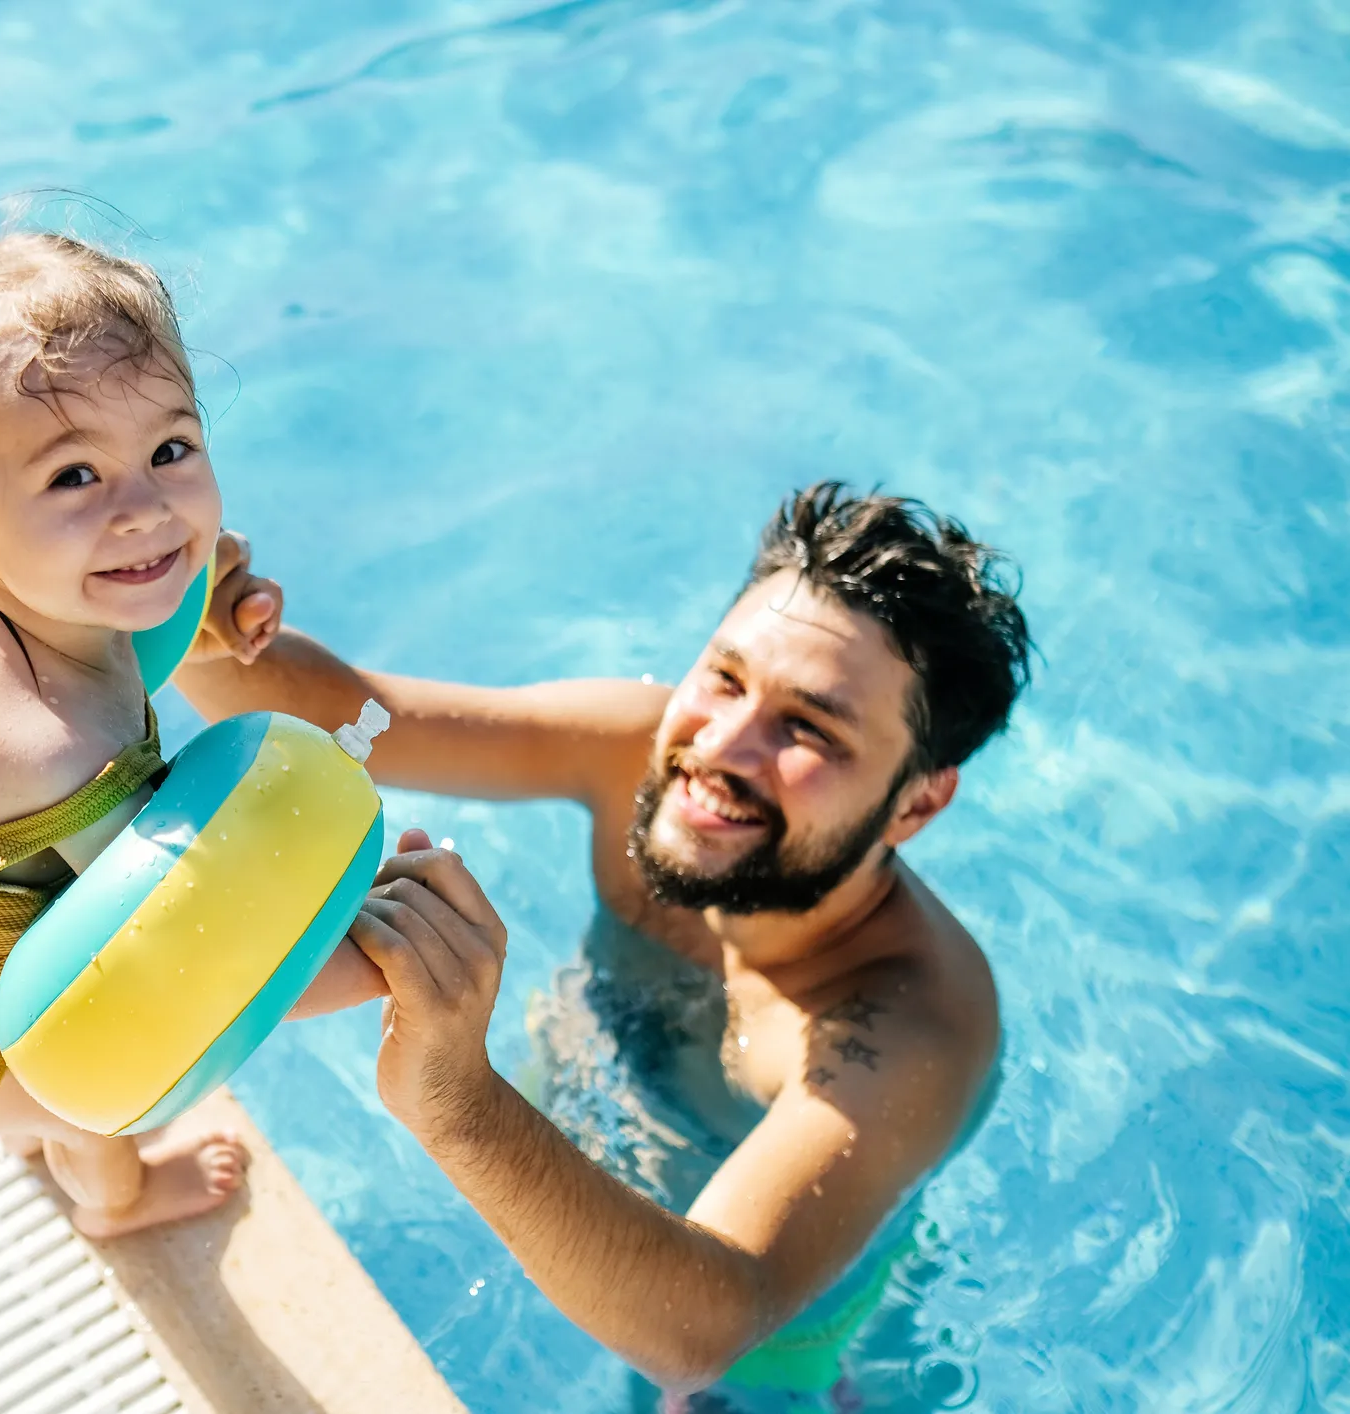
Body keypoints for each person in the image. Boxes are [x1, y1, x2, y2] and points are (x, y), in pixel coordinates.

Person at [176, 484, 1031, 1404]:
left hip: (775, 1350)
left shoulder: (906, 1024)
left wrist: (453, 1096)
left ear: (917, 803)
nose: (721, 749)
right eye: (725, 678)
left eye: (808, 728)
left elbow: (705, 1325)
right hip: (578, 1153)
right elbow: (341, 715)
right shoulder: (637, 750)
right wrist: (188, 621)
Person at [0, 233, 376, 1238]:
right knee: (85, 1107)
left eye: (170, 450)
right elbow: (181, 955)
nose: (144, 511)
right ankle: (115, 1207)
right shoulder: (57, 750)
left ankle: (28, 1121)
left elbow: (129, 594)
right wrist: (371, 945)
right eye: (73, 478)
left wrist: (211, 608)